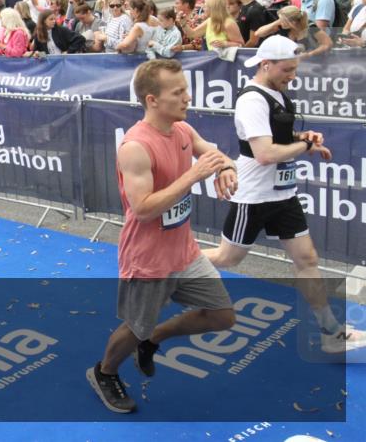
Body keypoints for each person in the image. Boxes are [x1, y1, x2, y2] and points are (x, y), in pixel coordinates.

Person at [88, 59, 237, 413]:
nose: (188, 97)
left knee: (222, 316)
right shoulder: (135, 146)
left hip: (184, 253)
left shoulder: (182, 129)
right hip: (149, 258)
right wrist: (192, 177)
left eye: (186, 89)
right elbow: (142, 209)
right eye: (178, 92)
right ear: (152, 100)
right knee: (135, 327)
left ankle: (155, 338)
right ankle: (105, 372)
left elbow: (211, 153)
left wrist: (226, 167)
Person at [203, 36, 366, 353]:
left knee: (307, 259)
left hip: (283, 194)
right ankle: (169, 266)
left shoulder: (275, 93)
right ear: (266, 64)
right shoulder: (252, 99)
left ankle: (331, 333)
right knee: (227, 258)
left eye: (294, 69)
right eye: (287, 69)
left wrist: (302, 137)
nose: (293, 75)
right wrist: (304, 146)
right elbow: (264, 153)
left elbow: (275, 136)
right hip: (254, 194)